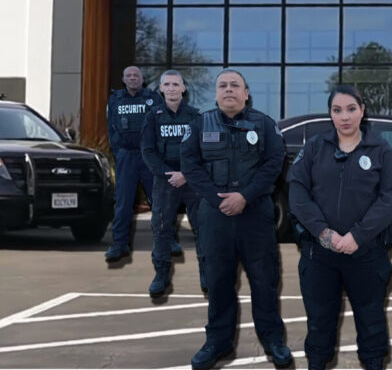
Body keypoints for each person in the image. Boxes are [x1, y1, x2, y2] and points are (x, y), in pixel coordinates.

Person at [180, 69, 292, 370]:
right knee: (218, 280)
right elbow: (190, 164)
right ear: (216, 94)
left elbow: (274, 163)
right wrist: (218, 199)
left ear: (246, 93)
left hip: (255, 214)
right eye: (223, 85)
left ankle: (273, 340)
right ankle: (217, 342)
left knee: (264, 280)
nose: (228, 89)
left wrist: (245, 196)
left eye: (235, 85)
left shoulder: (264, 125)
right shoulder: (199, 125)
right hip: (215, 216)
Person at [288, 85, 392, 370]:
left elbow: (389, 199)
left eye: (351, 109)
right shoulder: (315, 147)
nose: (345, 116)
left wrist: (357, 236)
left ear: (362, 111)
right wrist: (323, 232)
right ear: (331, 114)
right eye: (337, 110)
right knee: (319, 324)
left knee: (372, 324)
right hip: (320, 255)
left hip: (366, 254)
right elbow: (298, 192)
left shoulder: (381, 150)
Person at [140, 69, 205, 297]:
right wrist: (169, 173)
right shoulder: (153, 116)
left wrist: (185, 174)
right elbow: (148, 151)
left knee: (202, 228)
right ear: (161, 89)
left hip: (192, 181)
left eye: (176, 84)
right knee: (161, 229)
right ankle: (161, 275)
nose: (171, 88)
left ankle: (207, 274)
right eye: (167, 84)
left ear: (183, 88)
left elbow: (203, 150)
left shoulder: (195, 116)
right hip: (165, 180)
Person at [105, 66, 166, 262]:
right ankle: (119, 244)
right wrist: (119, 154)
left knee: (159, 201)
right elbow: (111, 130)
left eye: (136, 75)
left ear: (142, 79)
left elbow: (160, 127)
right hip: (126, 156)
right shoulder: (115, 100)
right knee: (123, 203)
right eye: (129, 76)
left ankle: (167, 241)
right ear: (123, 79)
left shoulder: (153, 98)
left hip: (148, 156)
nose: (132, 78)